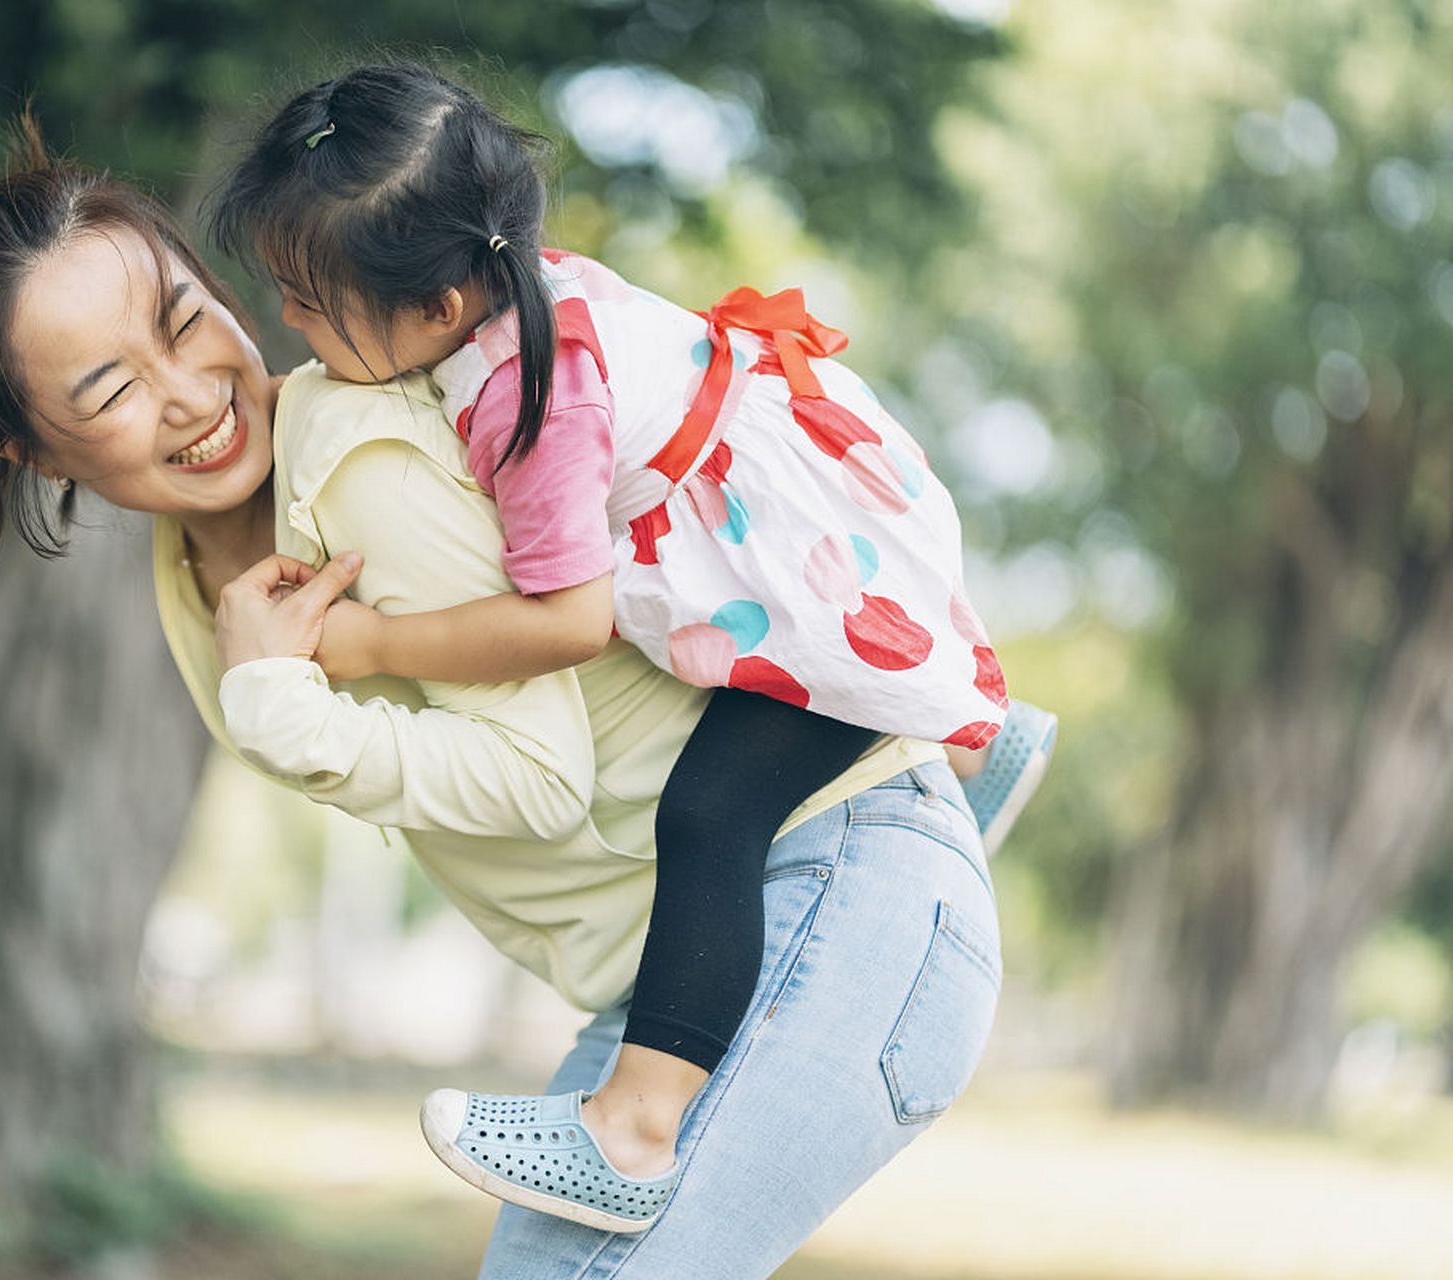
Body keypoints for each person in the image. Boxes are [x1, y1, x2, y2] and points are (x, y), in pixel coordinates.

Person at [0, 116, 1011, 1277]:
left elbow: (542, 781)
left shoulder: (358, 455)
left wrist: (289, 710)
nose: (189, 394)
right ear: (25, 449)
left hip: (827, 894)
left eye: (187, 321)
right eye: (108, 391)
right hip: (686, 976)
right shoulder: (196, 566)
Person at [210, 63, 1052, 1231]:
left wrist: (367, 643)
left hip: (787, 569)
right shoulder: (519, 285)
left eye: (307, 299)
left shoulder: (524, 396)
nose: (286, 325)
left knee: (711, 814)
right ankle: (983, 745)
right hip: (814, 513)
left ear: (438, 310)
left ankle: (636, 1126)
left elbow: (569, 621)